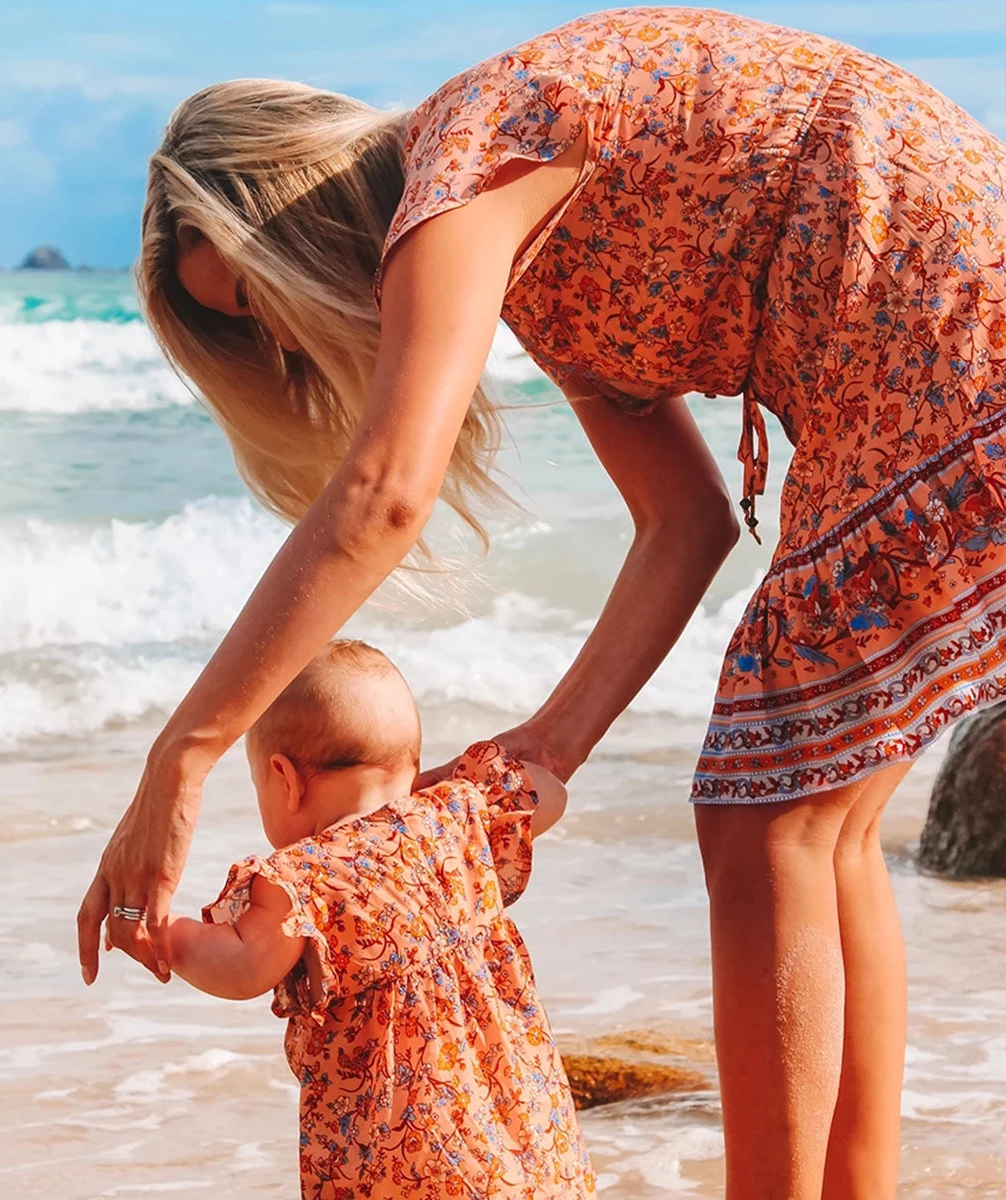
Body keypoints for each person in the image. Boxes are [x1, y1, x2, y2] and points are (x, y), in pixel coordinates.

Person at [75, 8, 1006, 1198]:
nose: (284, 346)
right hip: (922, 323)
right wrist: (544, 748)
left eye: (256, 300)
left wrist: (184, 757)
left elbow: (385, 495)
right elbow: (687, 522)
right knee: (818, 828)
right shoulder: (527, 234)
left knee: (765, 816)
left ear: (296, 214)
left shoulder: (464, 173)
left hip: (927, 314)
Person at [162, 639, 594, 1198]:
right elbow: (550, 792)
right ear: (411, 765)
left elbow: (242, 965)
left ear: (284, 778)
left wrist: (162, 932)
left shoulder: (307, 878)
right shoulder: (457, 817)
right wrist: (457, 785)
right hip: (528, 1140)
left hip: (409, 1169)